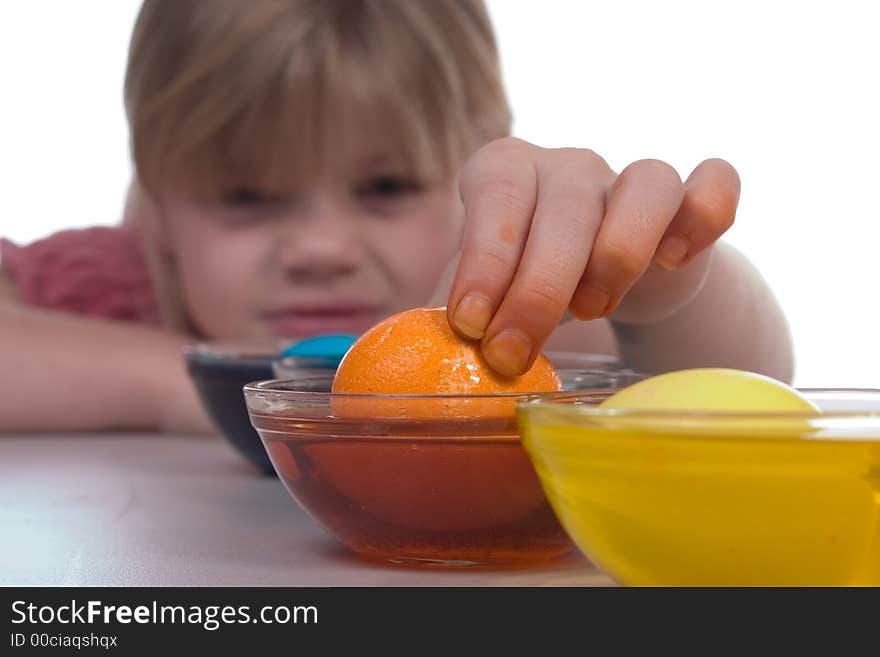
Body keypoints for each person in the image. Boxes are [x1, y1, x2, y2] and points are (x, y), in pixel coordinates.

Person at [0, 0, 793, 435]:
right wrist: (212, 386)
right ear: (158, 210)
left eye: (385, 187)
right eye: (246, 197)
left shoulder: (517, 321)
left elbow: (749, 383)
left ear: (476, 177)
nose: (320, 248)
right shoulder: (104, 284)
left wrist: (669, 289)